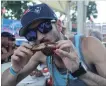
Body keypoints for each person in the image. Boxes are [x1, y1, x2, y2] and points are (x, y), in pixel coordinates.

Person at [2, 3, 106, 86]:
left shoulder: (89, 46)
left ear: (59, 25)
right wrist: (14, 69)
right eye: (31, 35)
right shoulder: (40, 55)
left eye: (44, 27)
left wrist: (80, 72)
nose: (39, 38)